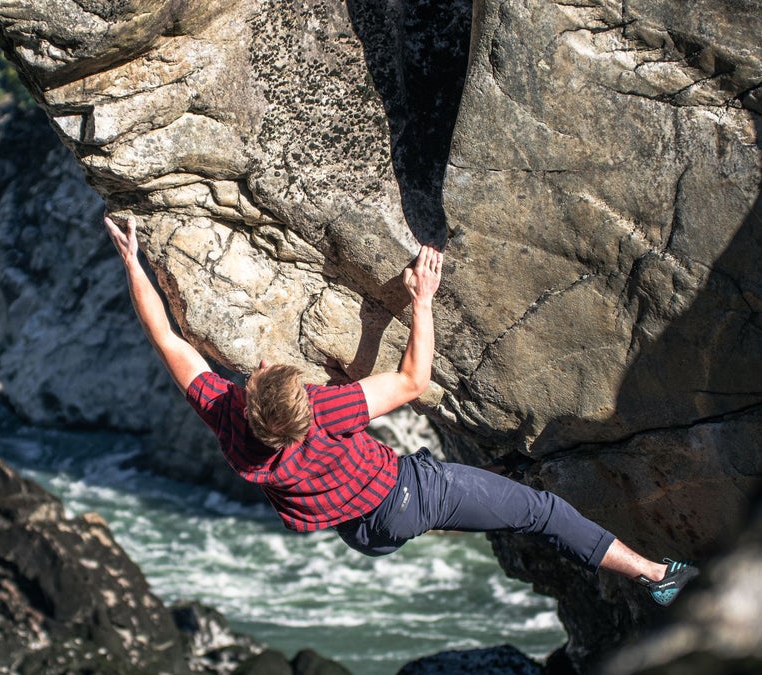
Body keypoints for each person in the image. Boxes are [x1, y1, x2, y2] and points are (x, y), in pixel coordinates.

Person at [104, 212, 698, 607]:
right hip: (408, 496)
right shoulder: (330, 412)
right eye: (268, 371)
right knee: (539, 511)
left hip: (362, 533)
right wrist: (421, 300)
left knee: (479, 488)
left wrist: (133, 264)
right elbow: (413, 381)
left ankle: (486, 484)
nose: (259, 365)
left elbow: (169, 341)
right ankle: (656, 577)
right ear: (305, 407)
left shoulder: (229, 419)